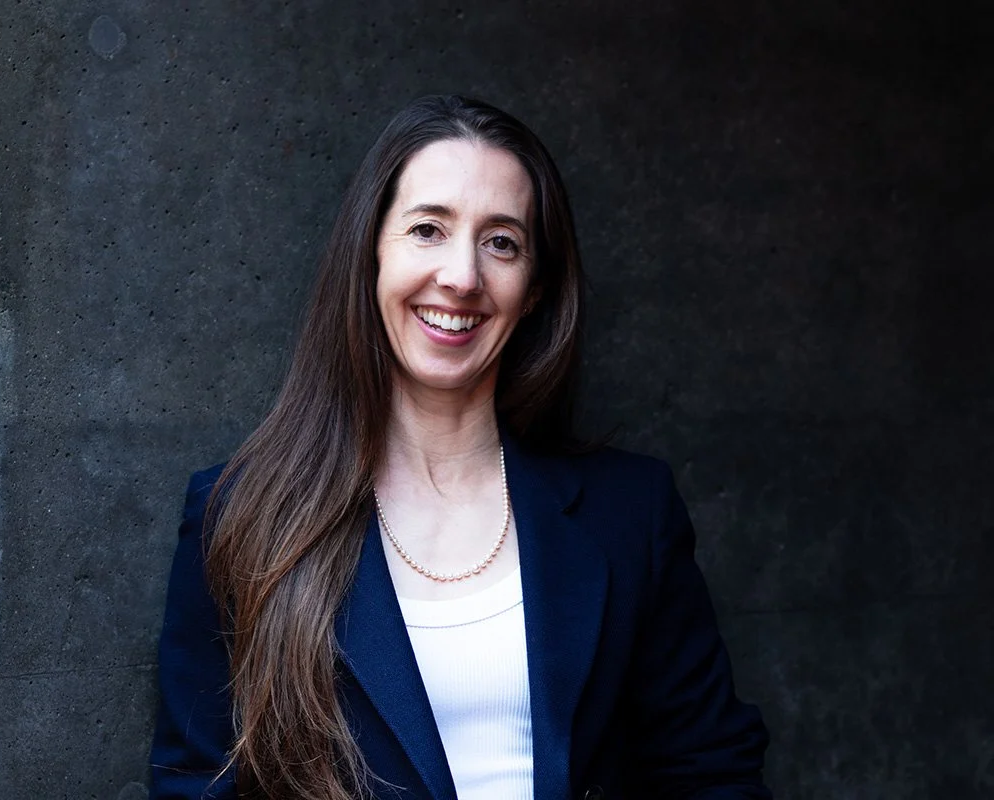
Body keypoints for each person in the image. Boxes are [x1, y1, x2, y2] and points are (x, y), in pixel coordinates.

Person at [150, 95, 771, 800]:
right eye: (427, 230)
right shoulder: (242, 514)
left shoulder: (630, 513)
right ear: (371, 253)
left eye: (500, 241)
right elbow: (199, 785)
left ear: (534, 288)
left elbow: (711, 774)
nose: (462, 276)